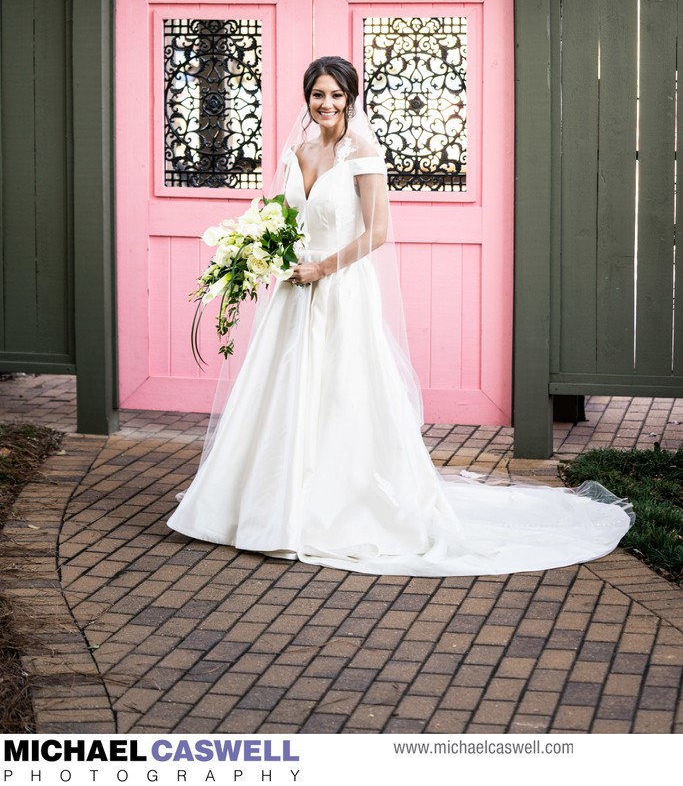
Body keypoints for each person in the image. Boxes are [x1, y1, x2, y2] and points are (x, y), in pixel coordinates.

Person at [168, 56, 632, 576]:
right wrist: (258, 248)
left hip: (339, 285)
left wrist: (322, 267)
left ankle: (335, 507)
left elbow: (376, 232)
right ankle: (266, 505)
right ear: (307, 97)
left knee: (342, 391)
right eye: (318, 94)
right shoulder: (294, 151)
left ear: (350, 99)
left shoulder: (362, 152)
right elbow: (278, 215)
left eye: (337, 95)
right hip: (293, 286)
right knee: (283, 389)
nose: (326, 104)